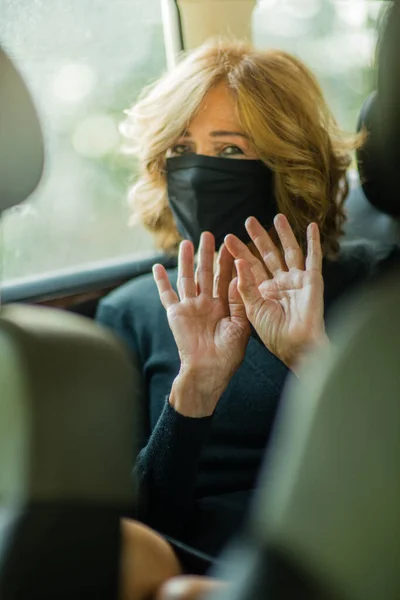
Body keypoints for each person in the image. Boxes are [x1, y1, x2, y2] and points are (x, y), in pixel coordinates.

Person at [96, 38, 398, 600]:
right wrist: (196, 388)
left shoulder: (379, 288)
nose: (199, 171)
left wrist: (312, 357)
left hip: (332, 559)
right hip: (178, 560)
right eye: (181, 149)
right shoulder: (133, 310)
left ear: (288, 162)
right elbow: (138, 518)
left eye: (230, 151)